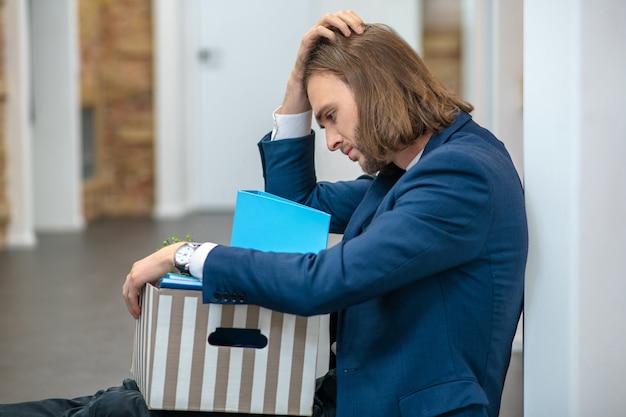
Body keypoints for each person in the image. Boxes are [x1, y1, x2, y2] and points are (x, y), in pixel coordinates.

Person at [0, 10, 527, 417]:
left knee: (127, 408)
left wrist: (186, 255)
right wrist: (299, 81)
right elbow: (296, 208)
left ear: (374, 86)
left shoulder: (459, 176)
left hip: (389, 402)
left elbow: (328, 279)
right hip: (352, 387)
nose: (332, 139)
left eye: (330, 117)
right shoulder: (412, 169)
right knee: (126, 400)